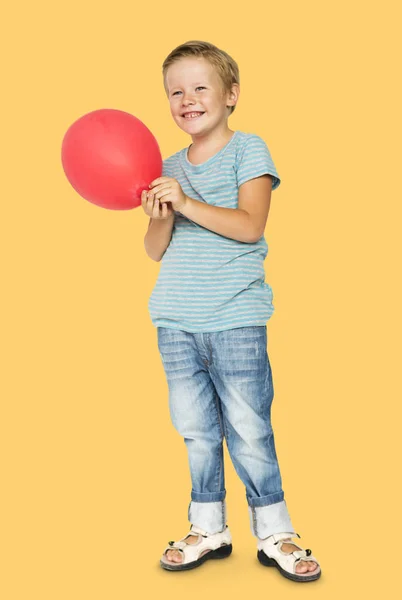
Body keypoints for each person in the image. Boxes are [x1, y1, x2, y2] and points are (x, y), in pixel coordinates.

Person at [142, 40, 321, 582]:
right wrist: (159, 212)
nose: (188, 99)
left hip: (236, 317)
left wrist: (187, 202)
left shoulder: (249, 150)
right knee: (195, 429)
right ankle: (208, 527)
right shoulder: (165, 165)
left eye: (201, 87)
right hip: (175, 318)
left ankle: (274, 531)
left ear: (231, 95)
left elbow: (250, 226)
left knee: (248, 426)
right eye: (176, 91)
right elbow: (154, 249)